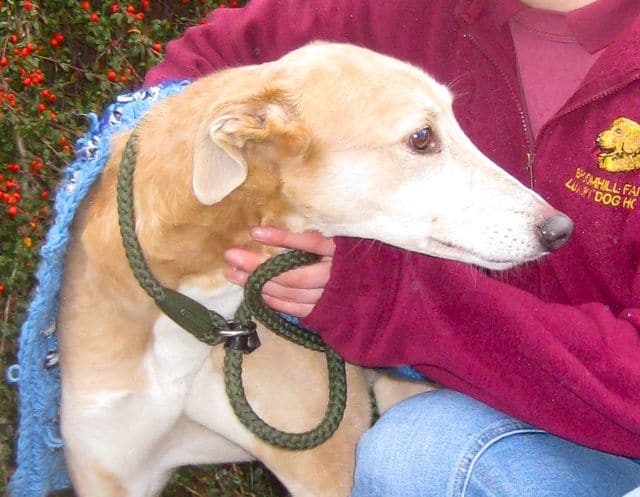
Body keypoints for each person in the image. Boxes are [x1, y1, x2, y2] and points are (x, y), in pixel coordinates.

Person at [144, 0, 640, 495]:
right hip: (477, 372)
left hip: (619, 430)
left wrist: (394, 300)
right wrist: (147, 158)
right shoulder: (411, 10)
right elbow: (207, 64)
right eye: (421, 139)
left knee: (420, 457)